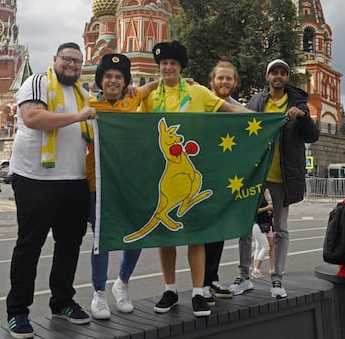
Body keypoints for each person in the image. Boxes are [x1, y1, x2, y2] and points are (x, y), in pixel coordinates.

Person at [139, 41, 250, 318]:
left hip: (195, 170)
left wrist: (266, 116)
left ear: (180, 67)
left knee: (197, 234)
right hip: (161, 172)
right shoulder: (151, 97)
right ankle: (170, 289)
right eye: (163, 63)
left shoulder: (198, 91)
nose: (168, 67)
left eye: (173, 63)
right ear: (159, 67)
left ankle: (199, 292)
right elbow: (135, 127)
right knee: (166, 236)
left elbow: (230, 110)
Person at [6, 43, 97, 339]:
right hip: (35, 179)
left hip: (73, 178)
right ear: (55, 60)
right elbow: (33, 118)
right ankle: (18, 310)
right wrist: (79, 116)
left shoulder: (83, 93)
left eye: (78, 61)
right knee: (29, 245)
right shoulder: (39, 82)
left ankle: (62, 302)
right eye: (67, 60)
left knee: (69, 244)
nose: (72, 65)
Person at [229, 58, 319, 299]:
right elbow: (244, 126)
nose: (278, 76)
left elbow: (313, 136)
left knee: (280, 228)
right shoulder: (257, 101)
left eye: (283, 73)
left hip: (282, 177)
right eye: (274, 72)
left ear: (287, 78)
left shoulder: (298, 103)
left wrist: (303, 117)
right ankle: (243, 276)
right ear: (267, 77)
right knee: (245, 226)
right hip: (256, 174)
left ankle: (277, 279)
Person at [86, 53, 158, 320]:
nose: (113, 81)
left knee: (136, 233)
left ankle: (122, 283)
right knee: (101, 238)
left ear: (126, 81)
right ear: (100, 80)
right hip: (99, 182)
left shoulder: (132, 97)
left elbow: (153, 86)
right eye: (108, 77)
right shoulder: (89, 104)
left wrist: (185, 81)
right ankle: (98, 294)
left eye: (119, 77)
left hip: (130, 180)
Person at [203, 61, 243, 305]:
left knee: (218, 230)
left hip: (225, 176)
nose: (225, 82)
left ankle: (212, 278)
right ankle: (201, 284)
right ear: (212, 81)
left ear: (234, 83)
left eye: (229, 79)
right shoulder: (201, 100)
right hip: (202, 173)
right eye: (221, 78)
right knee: (202, 231)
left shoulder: (239, 109)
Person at [251, 188, 273, 279]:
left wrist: (268, 210)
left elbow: (270, 204)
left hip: (262, 223)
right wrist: (267, 208)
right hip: (257, 224)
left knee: (258, 247)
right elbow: (254, 211)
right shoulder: (255, 195)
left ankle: (255, 269)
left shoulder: (264, 192)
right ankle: (256, 269)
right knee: (266, 247)